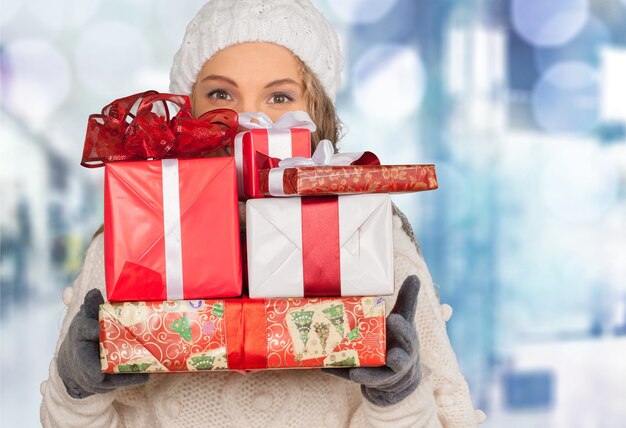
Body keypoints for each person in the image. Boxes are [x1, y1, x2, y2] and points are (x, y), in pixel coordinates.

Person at [40, 1, 485, 426]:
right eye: (221, 93)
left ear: (318, 115)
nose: (248, 119)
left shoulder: (370, 229)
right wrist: (76, 393)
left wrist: (397, 401)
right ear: (185, 109)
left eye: (279, 97)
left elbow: (450, 419)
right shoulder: (130, 235)